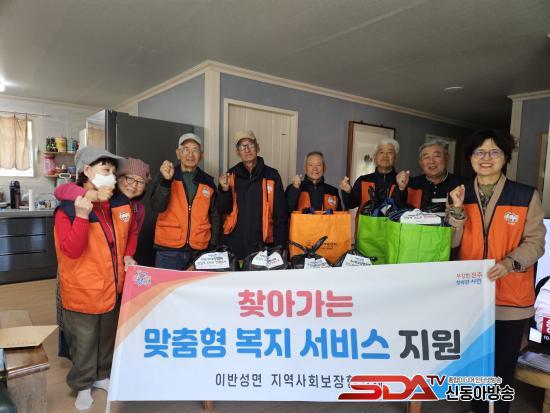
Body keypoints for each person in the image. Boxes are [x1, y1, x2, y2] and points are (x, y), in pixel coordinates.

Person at [448, 129, 546, 413]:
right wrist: (456, 211)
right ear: (470, 158)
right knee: (473, 364)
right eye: (479, 152)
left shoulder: (525, 195)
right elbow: (451, 243)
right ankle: (478, 409)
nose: (486, 158)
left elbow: (536, 242)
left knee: (501, 368)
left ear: (505, 157)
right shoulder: (459, 193)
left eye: (494, 151)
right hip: (470, 295)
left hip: (510, 298)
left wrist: (510, 262)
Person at [54, 147, 133, 410]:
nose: (111, 176)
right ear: (87, 171)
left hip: (111, 285)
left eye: (113, 172)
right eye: (105, 170)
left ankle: (101, 375)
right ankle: (83, 385)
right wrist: (81, 216)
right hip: (83, 289)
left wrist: (127, 257)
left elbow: (124, 237)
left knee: (106, 338)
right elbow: (71, 250)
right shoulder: (68, 209)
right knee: (85, 341)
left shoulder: (115, 204)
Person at [54, 157, 151, 266]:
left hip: (116, 265)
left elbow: (132, 234)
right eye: (129, 178)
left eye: (141, 182)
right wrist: (92, 195)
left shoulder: (138, 208)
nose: (134, 185)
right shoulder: (100, 199)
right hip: (84, 267)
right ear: (119, 178)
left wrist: (128, 254)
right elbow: (60, 190)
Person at [151, 133, 219, 270]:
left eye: (195, 150)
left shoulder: (208, 182)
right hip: (168, 251)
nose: (190, 154)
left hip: (199, 251)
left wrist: (212, 246)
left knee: (197, 286)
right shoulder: (166, 175)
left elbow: (215, 216)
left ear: (201, 155)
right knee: (168, 285)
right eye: (186, 149)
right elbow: (157, 206)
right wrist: (166, 181)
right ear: (178, 153)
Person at [217, 129, 288, 259]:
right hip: (235, 246)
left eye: (250, 144)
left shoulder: (272, 176)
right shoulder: (230, 175)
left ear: (258, 147)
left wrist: (279, 247)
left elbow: (280, 215)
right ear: (237, 152)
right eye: (242, 146)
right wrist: (224, 190)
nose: (247, 149)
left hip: (264, 245)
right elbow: (223, 210)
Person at [393, 139, 466, 213]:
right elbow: (396, 210)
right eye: (426, 157)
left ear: (447, 158)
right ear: (420, 163)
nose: (431, 161)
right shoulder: (411, 184)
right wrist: (401, 188)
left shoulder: (462, 185)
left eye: (436, 156)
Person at [340, 138, 399, 211]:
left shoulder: (404, 182)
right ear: (375, 157)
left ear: (396, 157)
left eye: (389, 152)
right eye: (381, 152)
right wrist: (348, 192)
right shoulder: (363, 180)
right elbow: (351, 204)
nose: (385, 156)